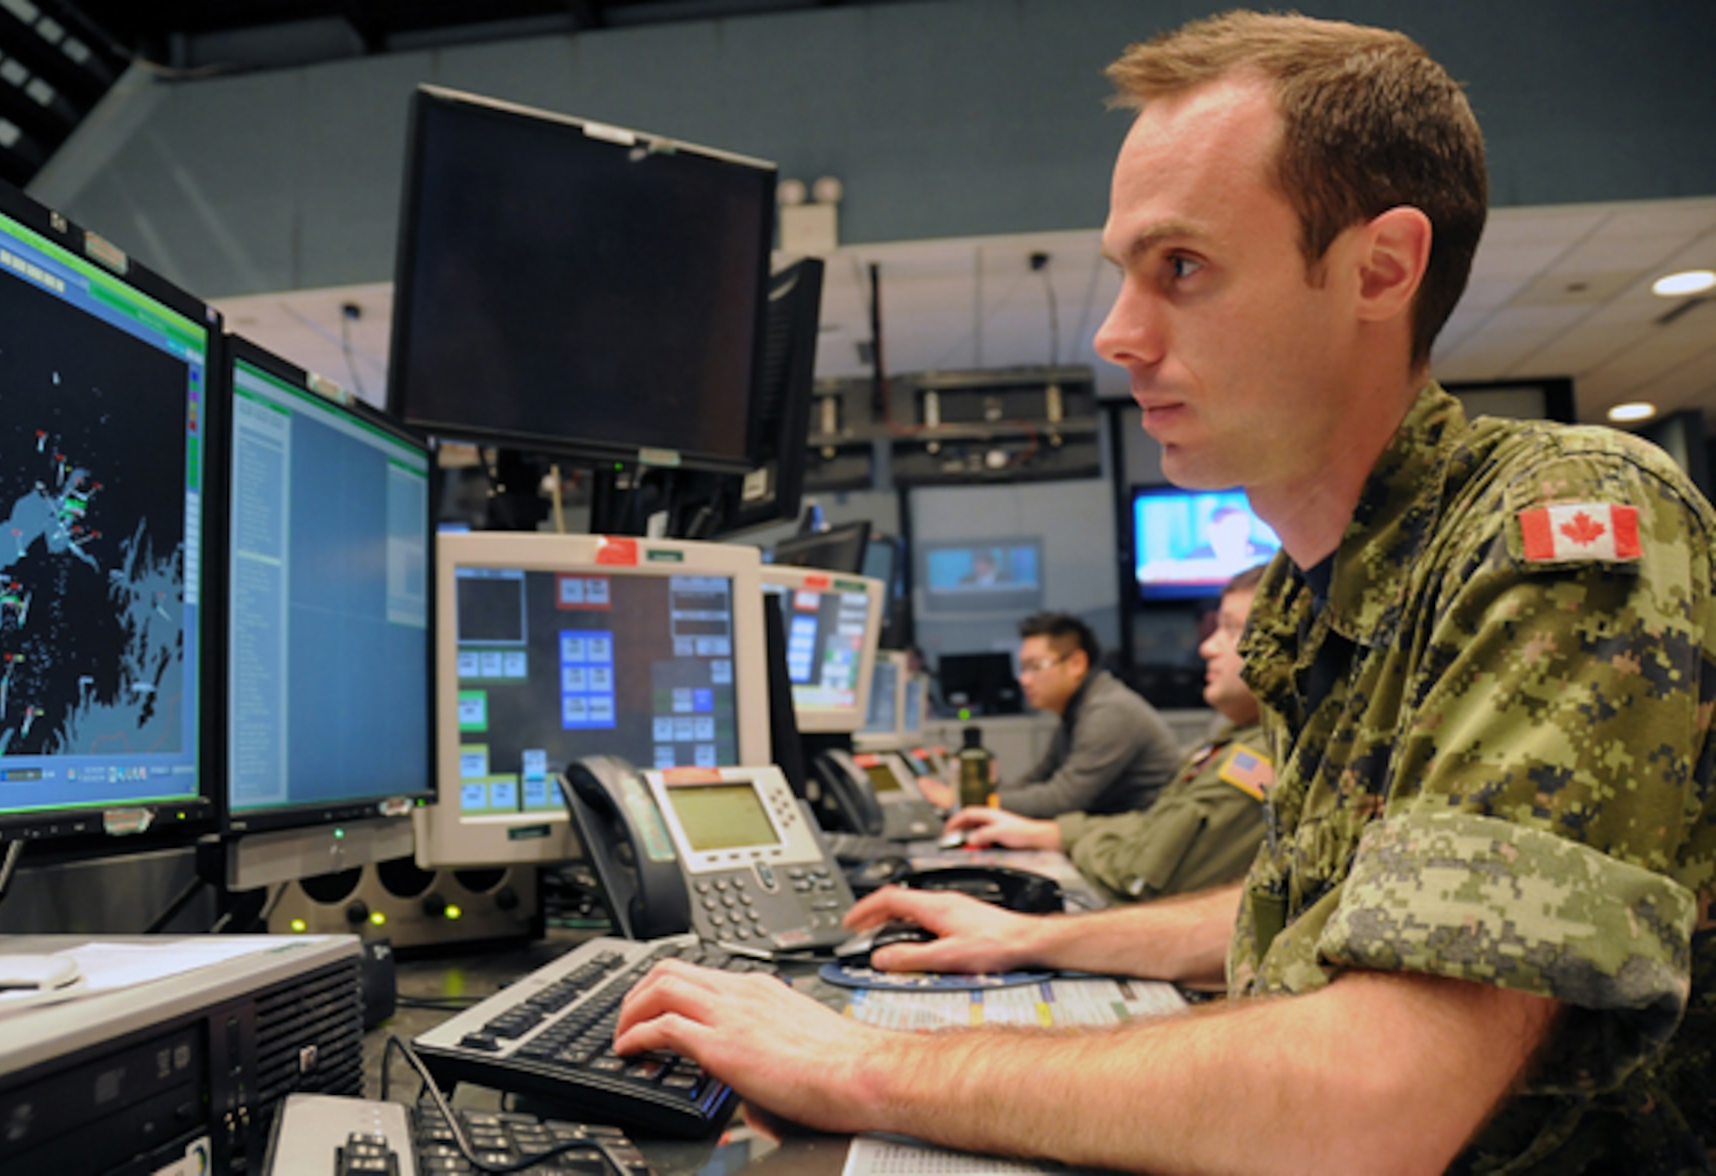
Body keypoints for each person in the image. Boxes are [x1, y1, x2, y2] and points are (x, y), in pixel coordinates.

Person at [614, 12, 1715, 1171]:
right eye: (1123, 273)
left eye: (1179, 268)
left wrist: (858, 1063)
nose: (1115, 335)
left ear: (1378, 269)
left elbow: (1380, 1096)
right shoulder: (1312, 593)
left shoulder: (1566, 525)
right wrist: (1047, 941)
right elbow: (1329, 927)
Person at [948, 564, 1270, 903]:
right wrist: (1043, 832)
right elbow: (1147, 826)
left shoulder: (1109, 712)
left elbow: (1140, 873)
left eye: (1232, 629)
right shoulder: (1234, 733)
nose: (1207, 648)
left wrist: (971, 802)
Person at [965, 612, 1179, 820]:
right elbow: (1040, 778)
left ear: (1076, 664)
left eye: (1034, 667)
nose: (1024, 680)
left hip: (1142, 840)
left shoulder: (1109, 711)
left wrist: (974, 803)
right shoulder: (1078, 709)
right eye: (1022, 668)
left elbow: (1063, 800)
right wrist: (981, 798)